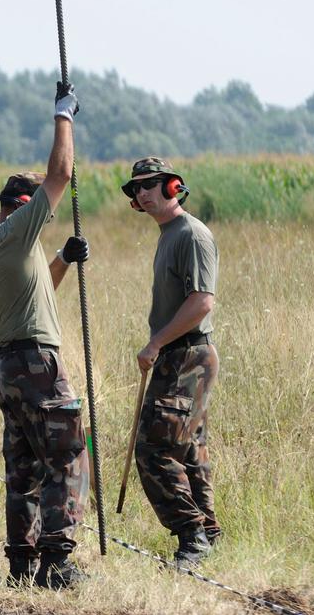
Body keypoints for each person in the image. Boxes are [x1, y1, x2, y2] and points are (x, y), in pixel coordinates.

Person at [0, 81, 91, 589]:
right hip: (36, 365)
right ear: (21, 207)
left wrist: (62, 259)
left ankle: (21, 566)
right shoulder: (19, 229)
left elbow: (37, 297)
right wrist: (63, 114)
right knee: (67, 456)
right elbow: (61, 173)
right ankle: (58, 565)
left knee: (23, 468)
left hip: (8, 366)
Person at [122, 157, 220, 565]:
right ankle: (208, 534)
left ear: (172, 186)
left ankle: (191, 535)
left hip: (187, 356)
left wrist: (155, 343)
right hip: (178, 356)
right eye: (135, 189)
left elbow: (201, 303)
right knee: (187, 449)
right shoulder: (168, 234)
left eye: (150, 184)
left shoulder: (191, 235)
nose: (142, 193)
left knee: (153, 449)